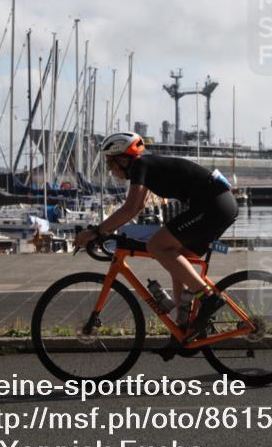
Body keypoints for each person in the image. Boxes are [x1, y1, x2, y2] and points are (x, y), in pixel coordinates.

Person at [73, 132, 239, 353]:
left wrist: (96, 232)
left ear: (122, 158)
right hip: (216, 204)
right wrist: (105, 231)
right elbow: (138, 206)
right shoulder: (145, 166)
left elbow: (130, 208)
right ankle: (183, 330)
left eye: (109, 164)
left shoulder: (140, 165)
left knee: (156, 245)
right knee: (176, 259)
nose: (110, 170)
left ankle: (208, 298)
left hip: (212, 205)